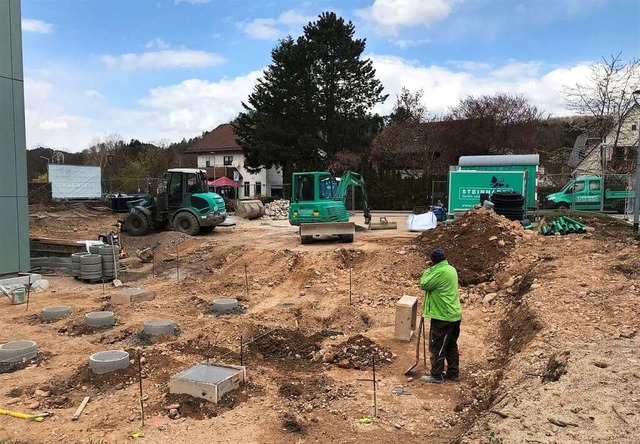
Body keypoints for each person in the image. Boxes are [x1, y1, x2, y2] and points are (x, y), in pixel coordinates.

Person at [419, 248, 462, 384]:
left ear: (433, 261)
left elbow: (424, 284)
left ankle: (436, 375)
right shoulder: (451, 269)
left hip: (443, 316)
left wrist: (427, 271)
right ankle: (453, 373)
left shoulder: (439, 271)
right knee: (450, 344)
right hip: (454, 314)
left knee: (437, 346)